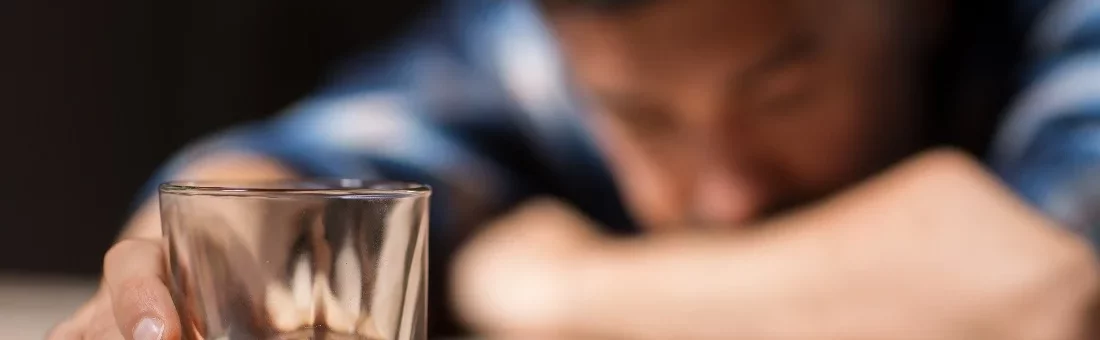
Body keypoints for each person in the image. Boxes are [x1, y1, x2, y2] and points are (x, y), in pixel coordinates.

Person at [52, 0, 1100, 339]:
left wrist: (554, 287)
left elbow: (1039, 282)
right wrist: (167, 272)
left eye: (780, 95)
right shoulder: (549, 39)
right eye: (639, 122)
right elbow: (293, 166)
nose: (719, 194)